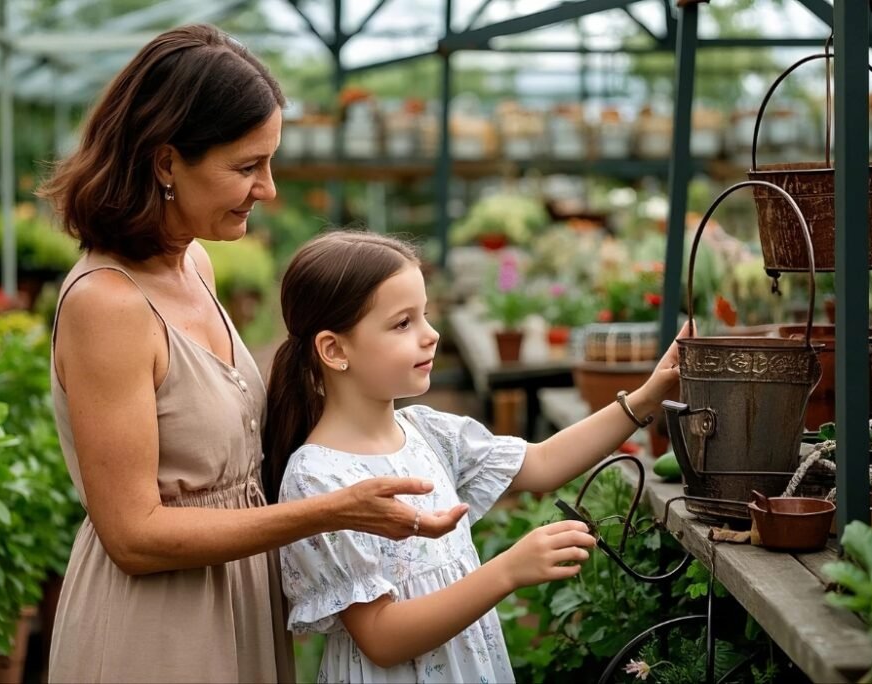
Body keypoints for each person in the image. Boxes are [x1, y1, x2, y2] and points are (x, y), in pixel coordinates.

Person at [37, 25, 467, 684]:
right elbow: (133, 536)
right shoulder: (109, 306)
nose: (267, 189)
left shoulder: (196, 266)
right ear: (165, 163)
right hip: (159, 632)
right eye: (247, 167)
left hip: (237, 603)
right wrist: (331, 510)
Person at [263, 231, 686, 683]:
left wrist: (646, 397)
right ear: (334, 349)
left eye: (424, 316)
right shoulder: (318, 478)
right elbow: (381, 638)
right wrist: (507, 570)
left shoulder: (428, 431)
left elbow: (542, 462)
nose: (431, 335)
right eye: (402, 323)